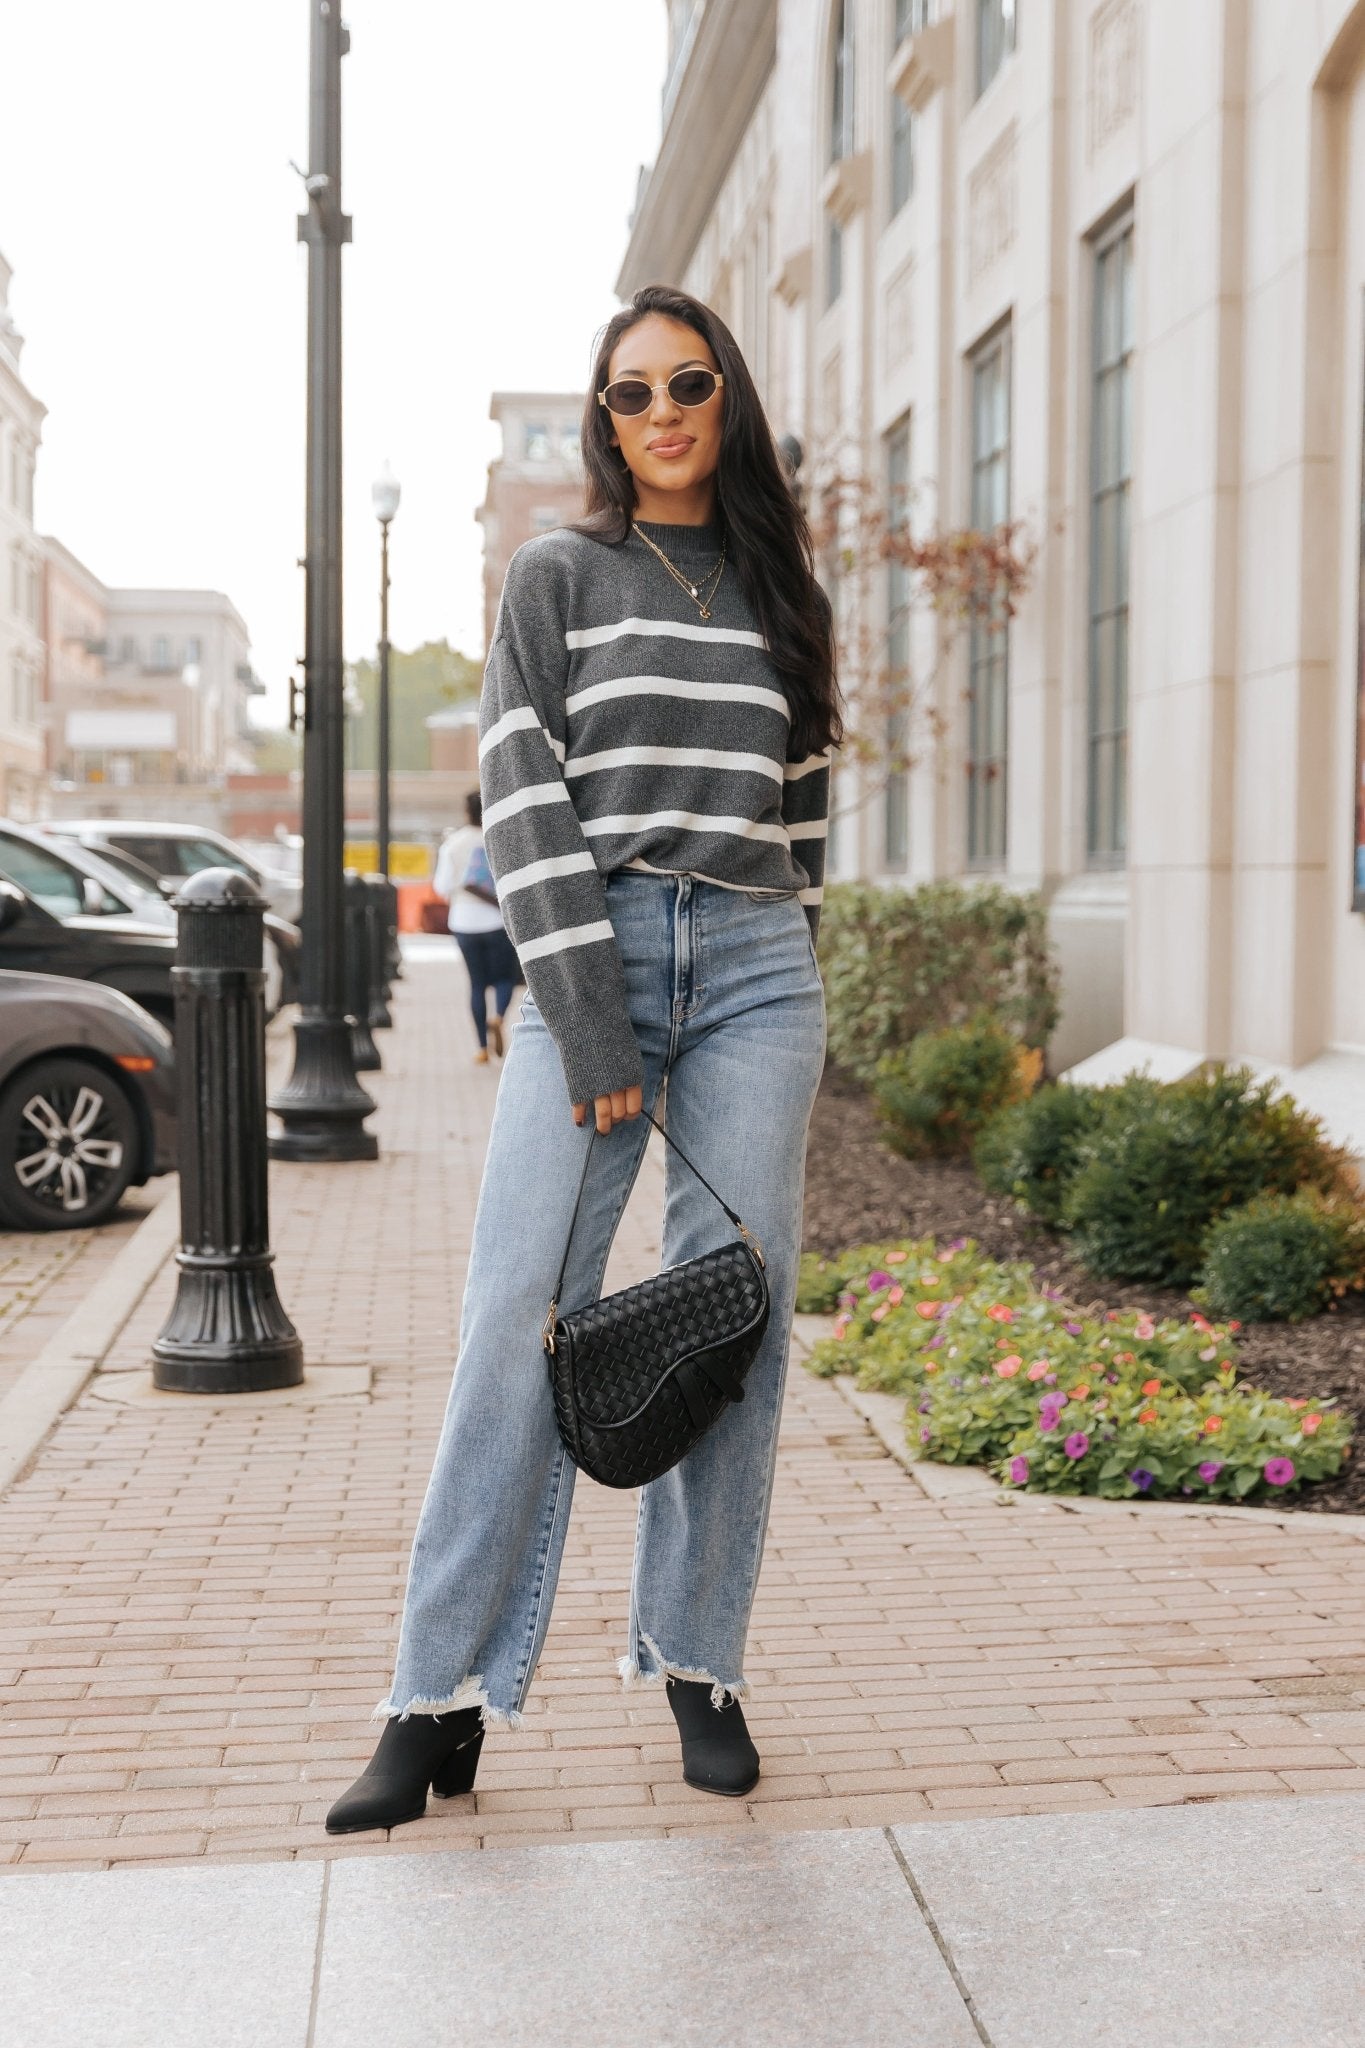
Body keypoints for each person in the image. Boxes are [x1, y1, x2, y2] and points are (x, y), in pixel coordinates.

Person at [327, 284, 838, 1836]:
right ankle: (439, 1699)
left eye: (689, 383)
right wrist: (594, 1013)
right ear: (604, 419)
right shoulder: (560, 575)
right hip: (589, 962)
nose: (664, 410)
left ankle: (700, 1660)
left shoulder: (781, 588)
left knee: (729, 1320)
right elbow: (521, 796)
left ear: (726, 400)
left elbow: (804, 818)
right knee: (512, 1316)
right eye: (630, 393)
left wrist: (785, 953)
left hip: (758, 965)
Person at [433, 793, 520, 1062]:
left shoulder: (453, 843)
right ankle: (498, 1016)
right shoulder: (501, 837)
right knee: (506, 979)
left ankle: (481, 1048)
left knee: (477, 984)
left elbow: (442, 887)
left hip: (464, 922)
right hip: (497, 921)